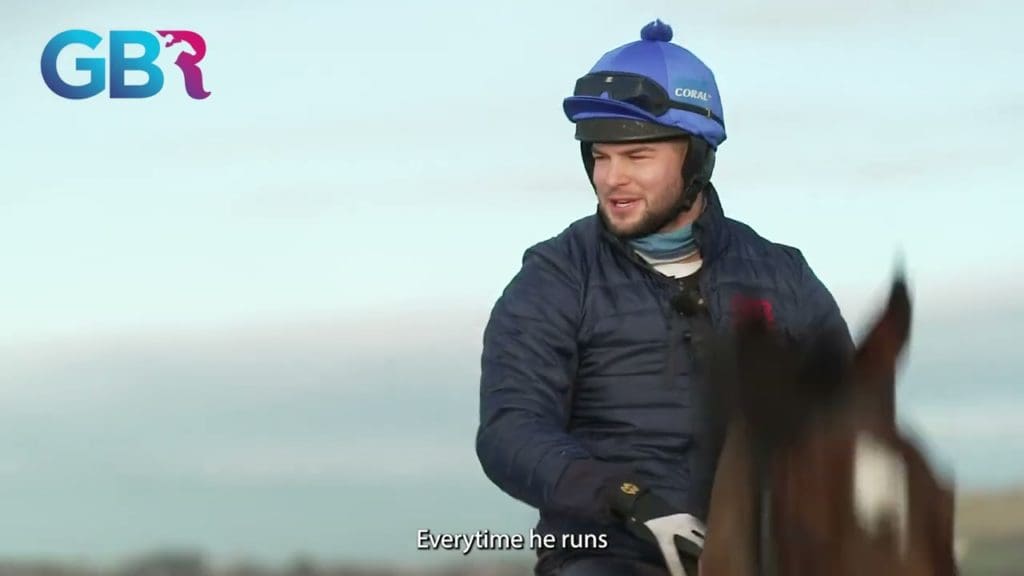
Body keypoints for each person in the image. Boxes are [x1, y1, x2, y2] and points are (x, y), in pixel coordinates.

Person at [475, 18, 853, 576]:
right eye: (600, 157)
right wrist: (628, 501)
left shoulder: (783, 276)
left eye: (638, 156)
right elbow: (510, 430)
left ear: (696, 158)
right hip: (607, 553)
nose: (611, 178)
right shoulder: (555, 277)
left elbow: (848, 411)